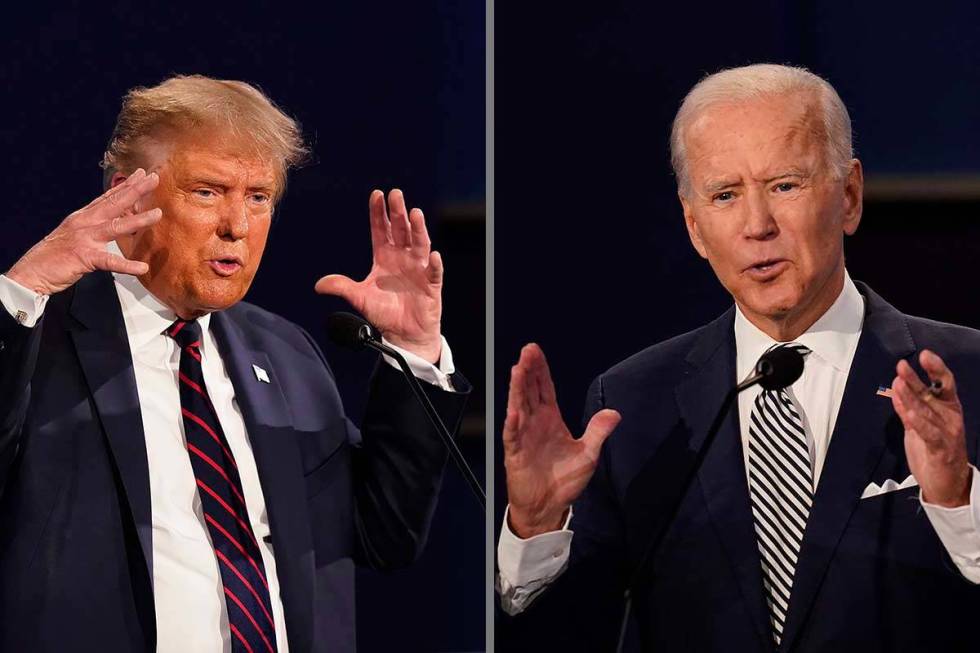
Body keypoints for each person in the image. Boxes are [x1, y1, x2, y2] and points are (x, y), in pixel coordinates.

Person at [497, 64, 980, 651]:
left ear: (849, 196)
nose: (758, 225)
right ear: (695, 227)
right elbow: (572, 634)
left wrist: (958, 501)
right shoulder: (632, 406)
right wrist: (536, 528)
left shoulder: (965, 377)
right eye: (725, 195)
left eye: (785, 185)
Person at [0, 75, 469, 653]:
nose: (238, 227)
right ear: (127, 197)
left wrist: (414, 352)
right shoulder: (36, 335)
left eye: (258, 197)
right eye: (207, 191)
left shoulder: (285, 353)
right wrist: (22, 290)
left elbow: (385, 537)